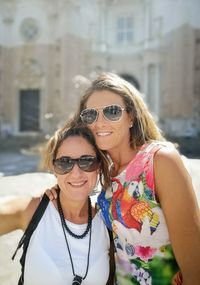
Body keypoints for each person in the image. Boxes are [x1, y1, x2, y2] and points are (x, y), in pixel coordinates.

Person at [47, 73, 200, 285]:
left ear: (131, 117)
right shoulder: (106, 171)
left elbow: (196, 269)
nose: (100, 122)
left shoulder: (160, 160)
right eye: (90, 115)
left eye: (111, 112)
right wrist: (60, 192)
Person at [0, 124, 115, 285]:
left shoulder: (107, 221)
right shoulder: (32, 210)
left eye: (87, 161)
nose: (76, 173)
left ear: (99, 167)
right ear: (54, 168)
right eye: (65, 162)